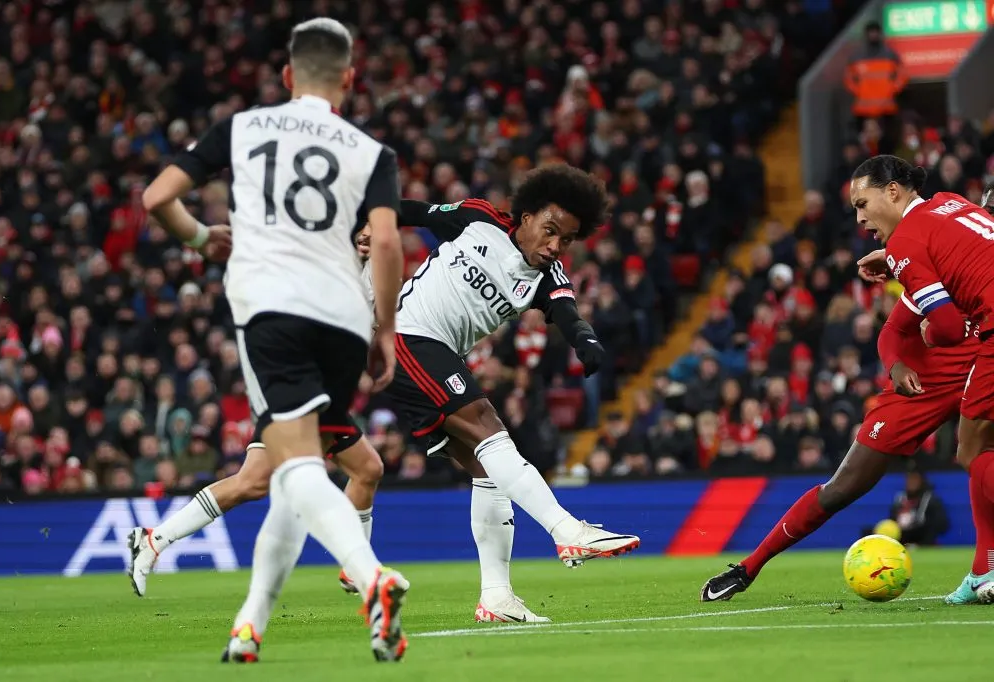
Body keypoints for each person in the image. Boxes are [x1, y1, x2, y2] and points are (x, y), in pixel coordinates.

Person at [138, 18, 410, 663]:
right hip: (344, 318)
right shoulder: (372, 153)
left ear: (287, 76)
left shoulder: (243, 128)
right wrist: (386, 329)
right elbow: (390, 242)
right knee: (288, 476)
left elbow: (157, 199)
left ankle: (372, 578)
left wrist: (204, 239)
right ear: (348, 79)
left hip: (272, 311)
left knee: (294, 470)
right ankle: (249, 626)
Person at [387, 167, 640, 576]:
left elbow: (569, 315)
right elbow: (414, 211)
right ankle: (566, 529)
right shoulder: (477, 219)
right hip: (406, 335)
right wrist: (364, 216)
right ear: (526, 217)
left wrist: (585, 342)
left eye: (568, 239)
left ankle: (497, 595)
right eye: (550, 230)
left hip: (436, 354)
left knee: (488, 469)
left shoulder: (547, 278)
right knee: (488, 425)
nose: (556, 245)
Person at [128, 230, 383, 598]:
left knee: (362, 470)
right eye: (360, 227)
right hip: (300, 384)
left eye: (373, 228)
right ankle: (359, 569)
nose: (366, 235)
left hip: (324, 388)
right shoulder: (321, 263)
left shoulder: (374, 270)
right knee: (287, 484)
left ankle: (154, 539)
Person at [701, 282, 978, 601]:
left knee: (977, 457)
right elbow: (891, 330)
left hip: (980, 377)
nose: (867, 228)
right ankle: (748, 568)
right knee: (839, 490)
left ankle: (984, 570)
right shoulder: (935, 277)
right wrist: (895, 365)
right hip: (917, 392)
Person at [852, 159, 994, 604]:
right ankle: (982, 572)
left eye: (862, 203)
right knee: (984, 448)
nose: (859, 217)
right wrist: (897, 262)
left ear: (892, 192)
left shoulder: (908, 241)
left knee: (970, 450)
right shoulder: (951, 204)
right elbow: (961, 250)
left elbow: (950, 329)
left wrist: (929, 331)